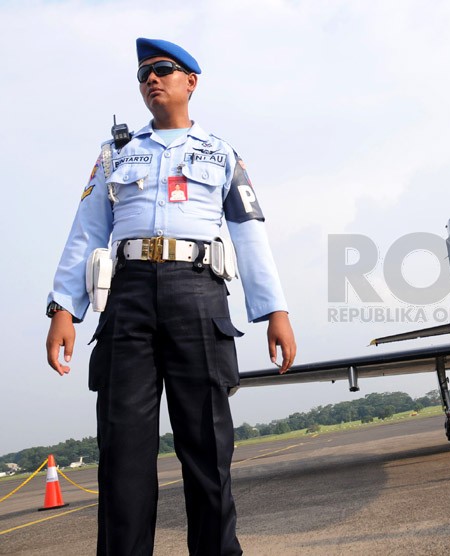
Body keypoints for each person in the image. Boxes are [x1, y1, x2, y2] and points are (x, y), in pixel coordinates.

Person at [45, 37, 296, 555]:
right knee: (123, 454)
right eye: (143, 75)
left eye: (162, 69)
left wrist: (274, 311)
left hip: (198, 295)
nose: (151, 79)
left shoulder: (221, 154)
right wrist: (63, 309)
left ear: (191, 82)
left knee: (207, 449)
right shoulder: (116, 152)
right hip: (128, 296)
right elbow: (87, 230)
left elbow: (249, 233)